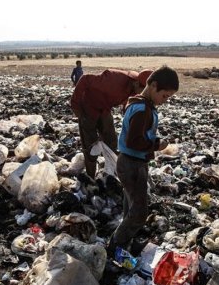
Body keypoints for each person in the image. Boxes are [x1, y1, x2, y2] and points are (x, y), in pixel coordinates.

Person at [108, 66, 179, 256]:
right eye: (164, 96)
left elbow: (138, 136)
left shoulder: (141, 105)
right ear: (153, 85)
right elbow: (134, 141)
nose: (165, 101)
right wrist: (157, 144)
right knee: (139, 213)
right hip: (132, 164)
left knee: (130, 205)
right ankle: (116, 244)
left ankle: (124, 240)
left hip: (131, 162)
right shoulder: (142, 110)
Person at [70, 68, 153, 178]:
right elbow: (86, 79)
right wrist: (75, 103)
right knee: (90, 145)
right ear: (137, 83)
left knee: (112, 141)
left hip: (105, 108)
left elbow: (129, 99)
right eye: (144, 90)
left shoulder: (135, 87)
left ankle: (112, 173)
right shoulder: (114, 80)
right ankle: (91, 178)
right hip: (88, 107)